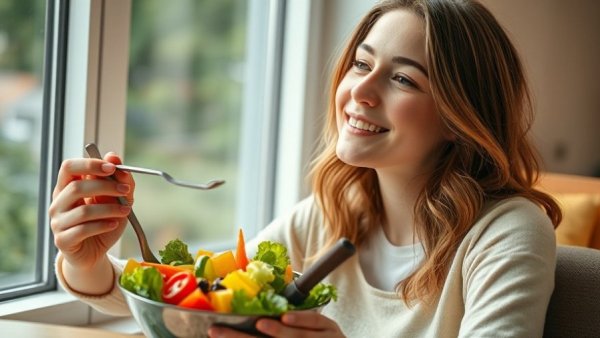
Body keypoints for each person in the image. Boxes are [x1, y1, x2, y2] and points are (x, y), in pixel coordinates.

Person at [49, 0, 562, 337]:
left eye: (403, 80)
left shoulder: (507, 233)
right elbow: (201, 297)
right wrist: (86, 259)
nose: (359, 90)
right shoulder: (330, 215)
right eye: (362, 64)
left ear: (459, 117)